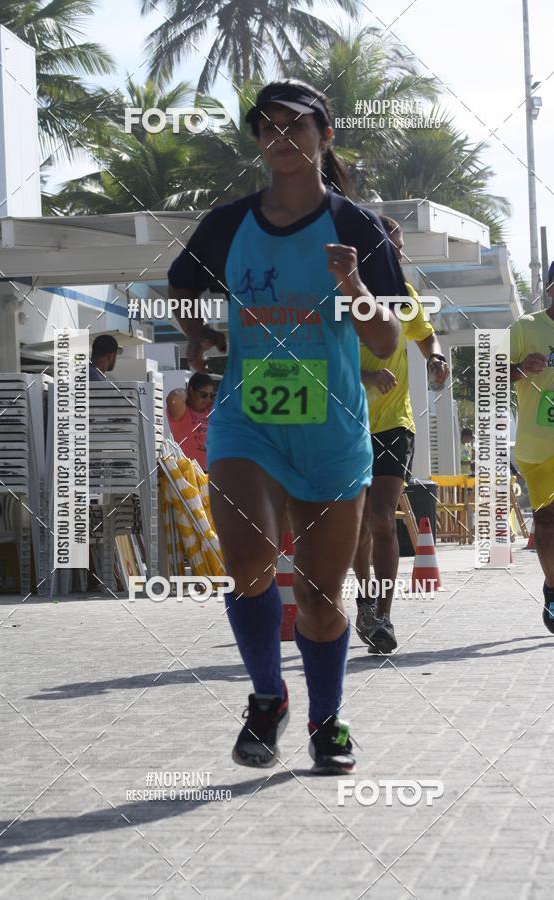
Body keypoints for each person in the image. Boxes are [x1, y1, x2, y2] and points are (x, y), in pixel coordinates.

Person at [168, 79, 405, 775]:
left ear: (324, 137)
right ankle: (267, 698)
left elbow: (387, 341)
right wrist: (196, 332)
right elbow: (181, 282)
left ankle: (327, 721)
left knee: (321, 599)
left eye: (296, 126)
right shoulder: (228, 223)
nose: (281, 138)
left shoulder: (356, 226)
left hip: (331, 428)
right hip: (249, 422)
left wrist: (354, 289)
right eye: (268, 127)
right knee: (248, 563)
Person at [353, 216, 450, 653]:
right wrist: (367, 376)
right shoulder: (341, 296)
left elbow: (427, 337)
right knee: (358, 524)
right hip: (348, 423)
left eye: (400, 248)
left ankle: (383, 616)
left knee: (381, 517)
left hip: (395, 423)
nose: (398, 254)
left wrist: (436, 358)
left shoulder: (404, 295)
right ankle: (365, 599)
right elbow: (320, 359)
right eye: (390, 247)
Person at [510, 255, 554, 633]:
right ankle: (553, 587)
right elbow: (487, 374)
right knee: (547, 520)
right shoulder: (525, 328)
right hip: (536, 445)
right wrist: (521, 369)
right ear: (549, 288)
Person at [166, 373, 216, 471]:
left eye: (211, 396)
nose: (208, 400)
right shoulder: (182, 412)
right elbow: (175, 396)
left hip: (211, 472)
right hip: (189, 473)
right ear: (191, 391)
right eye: (204, 395)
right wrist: (188, 393)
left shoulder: (210, 410)